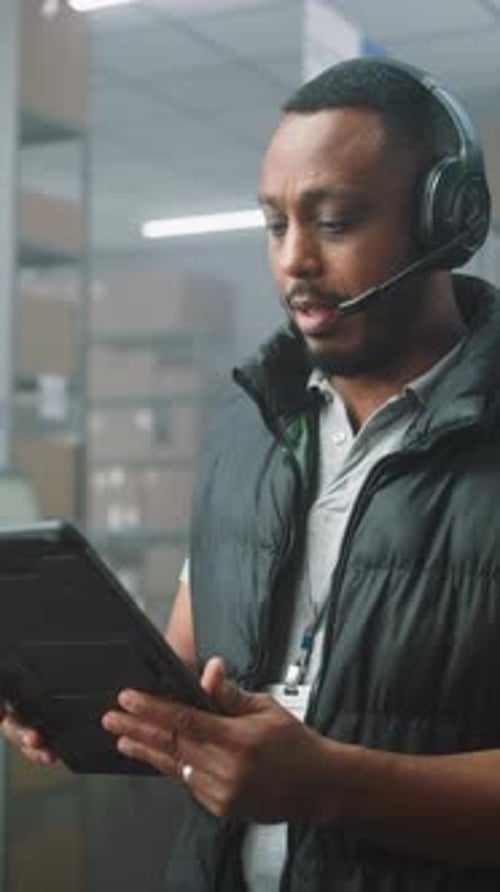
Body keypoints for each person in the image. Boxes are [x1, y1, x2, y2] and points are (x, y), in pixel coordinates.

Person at [4, 56, 500, 891]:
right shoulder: (247, 431)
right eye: (274, 225)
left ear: (444, 222)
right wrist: (87, 710)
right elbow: (187, 680)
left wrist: (333, 785)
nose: (294, 260)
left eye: (335, 222)